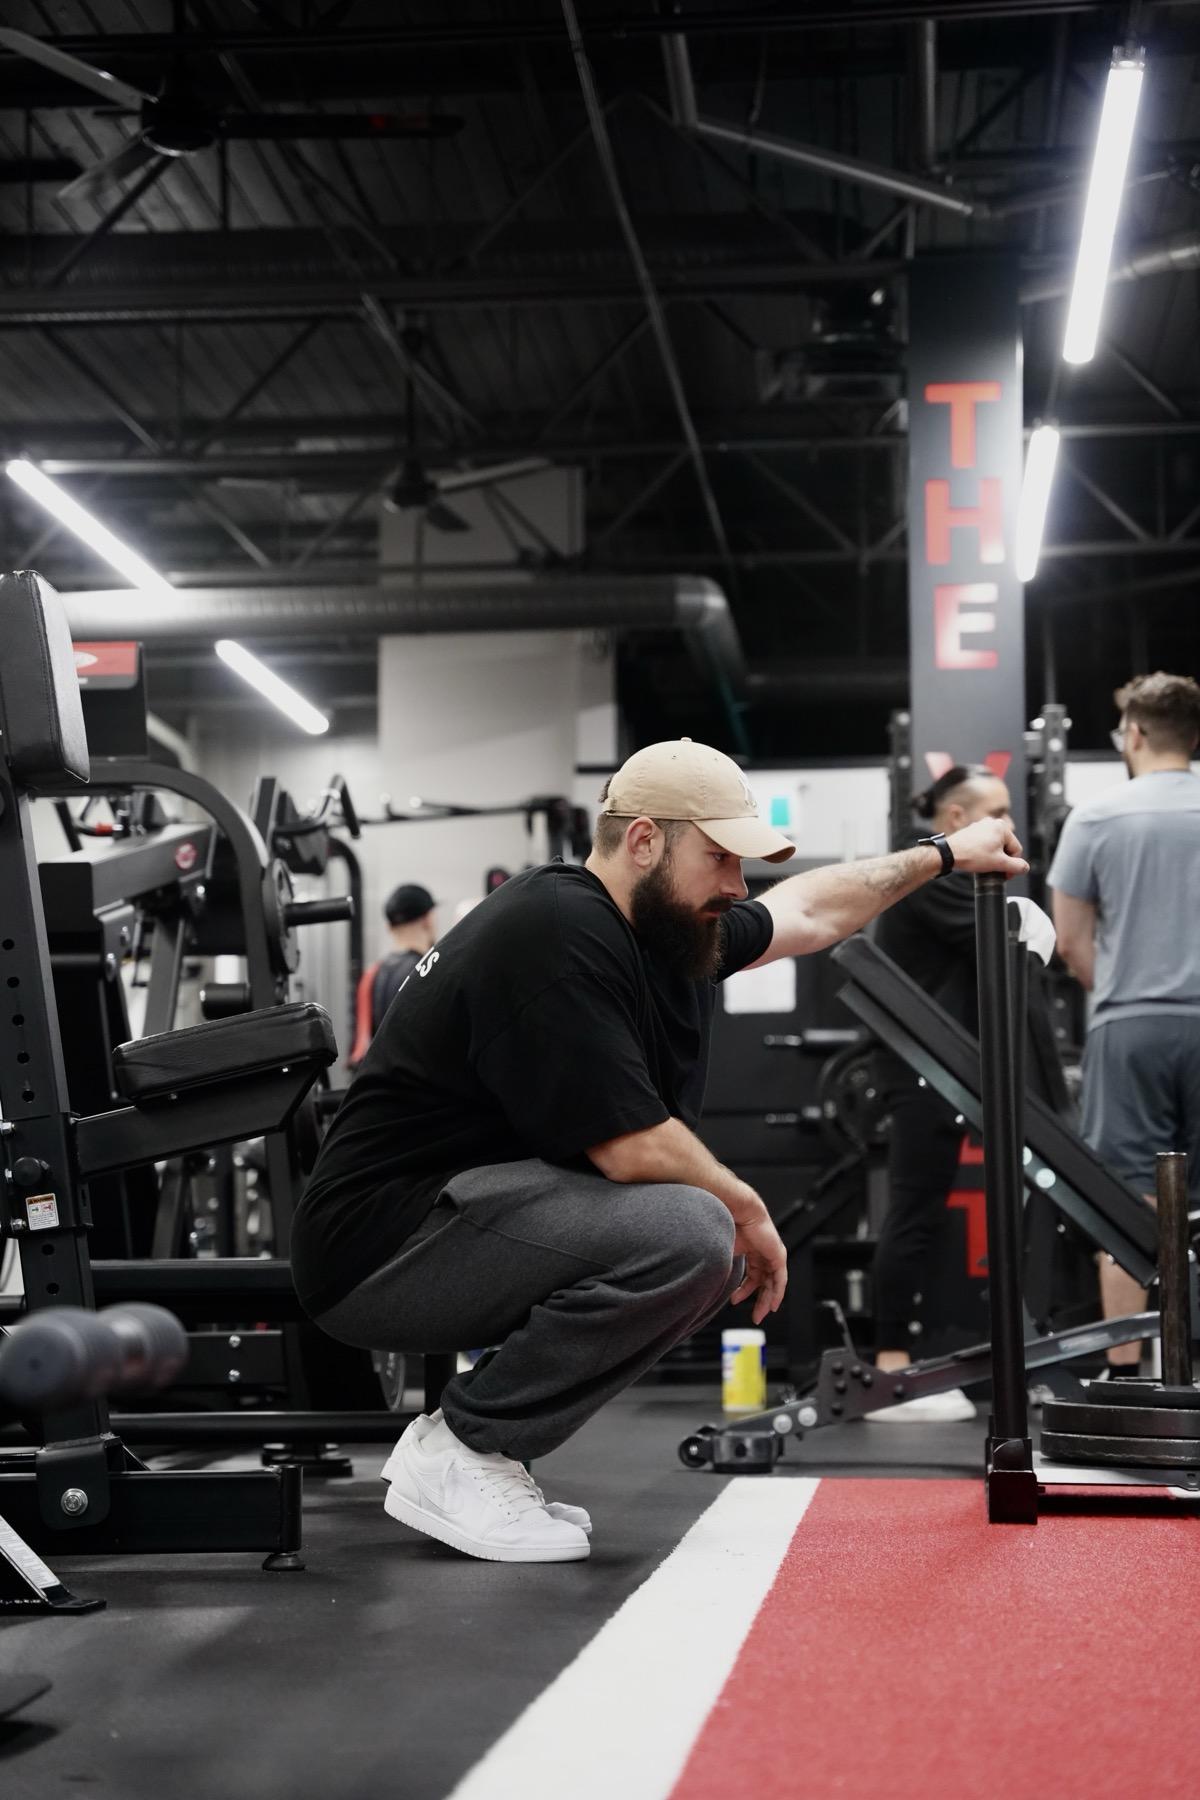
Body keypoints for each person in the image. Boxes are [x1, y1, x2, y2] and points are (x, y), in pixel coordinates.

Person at [291, 738, 1025, 1563]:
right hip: (380, 1248)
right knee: (690, 1234)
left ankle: (480, 1444)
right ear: (644, 841)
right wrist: (747, 1210)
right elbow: (632, 1145)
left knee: (693, 1235)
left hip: (464, 1217)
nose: (735, 887)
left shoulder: (671, 928)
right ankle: (463, 1449)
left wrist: (943, 853)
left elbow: (814, 910)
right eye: (720, 859)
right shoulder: (559, 925)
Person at [1048, 671, 1200, 1374]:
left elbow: (1072, 941)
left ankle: (1126, 1377)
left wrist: (1123, 988)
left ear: (1133, 734)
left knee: (1125, 1203)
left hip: (1130, 1026)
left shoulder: (1096, 817)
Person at [867, 763, 1015, 1425]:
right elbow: (1001, 926)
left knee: (921, 1210)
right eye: (999, 812)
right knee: (915, 1209)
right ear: (956, 821)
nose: (1010, 824)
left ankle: (906, 1358)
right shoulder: (926, 873)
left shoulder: (941, 876)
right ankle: (889, 1366)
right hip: (920, 1068)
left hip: (948, 1067)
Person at [347, 883, 438, 1069]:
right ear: (427, 919)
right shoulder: (428, 971)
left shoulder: (372, 975)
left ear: (390, 927)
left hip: (382, 1083)